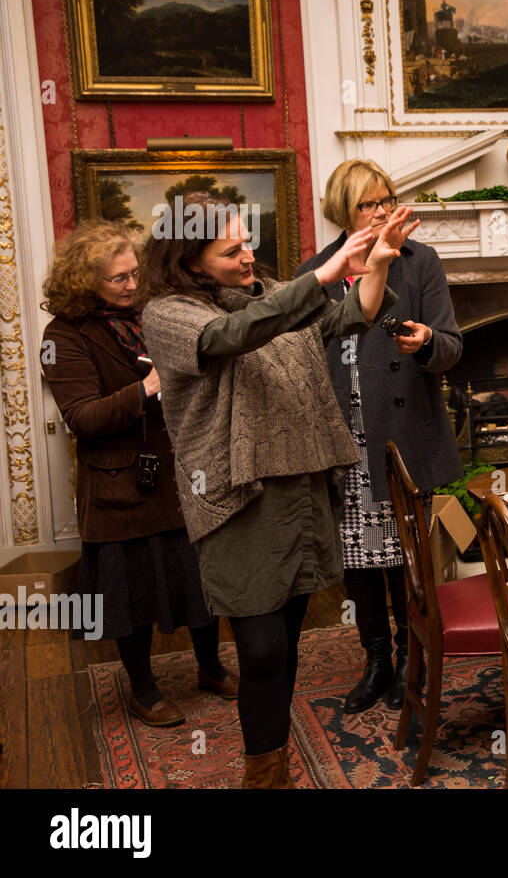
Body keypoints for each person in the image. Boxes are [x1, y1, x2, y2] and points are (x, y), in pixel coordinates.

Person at [140, 190, 402, 787]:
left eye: (248, 242)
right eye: (231, 250)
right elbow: (230, 337)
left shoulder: (269, 295)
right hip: (238, 496)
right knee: (258, 649)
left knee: (283, 643)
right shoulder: (170, 315)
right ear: (189, 260)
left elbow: (346, 318)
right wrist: (325, 275)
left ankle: (273, 756)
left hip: (302, 484)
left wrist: (378, 262)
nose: (248, 256)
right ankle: (262, 775)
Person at [40, 220, 236, 727]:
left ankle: (211, 668)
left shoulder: (153, 314)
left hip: (181, 474)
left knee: (199, 581)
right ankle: (143, 689)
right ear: (85, 282)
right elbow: (82, 417)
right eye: (118, 279)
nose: (131, 286)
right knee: (133, 593)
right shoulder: (62, 336)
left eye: (134, 274)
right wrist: (149, 386)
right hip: (118, 488)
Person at [297, 160, 463, 714]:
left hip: (403, 436)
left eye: (388, 199)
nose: (383, 210)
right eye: (370, 203)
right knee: (357, 561)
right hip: (342, 441)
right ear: (344, 209)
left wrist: (428, 342)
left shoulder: (421, 262)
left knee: (405, 559)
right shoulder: (317, 272)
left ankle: (409, 654)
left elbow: (454, 345)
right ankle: (376, 661)